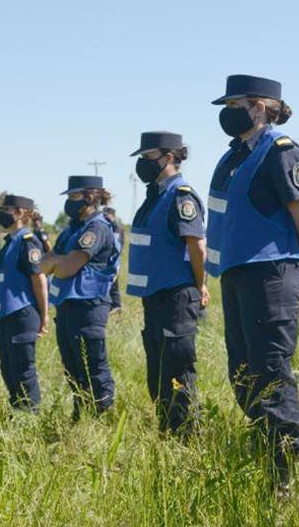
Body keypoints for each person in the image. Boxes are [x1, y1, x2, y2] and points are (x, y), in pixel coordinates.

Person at [207, 75, 299, 489]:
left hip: (272, 273)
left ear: (259, 106)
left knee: (270, 371)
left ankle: (284, 474)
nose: (226, 113)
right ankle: (265, 451)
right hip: (238, 274)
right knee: (242, 370)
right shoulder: (234, 157)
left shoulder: (281, 151)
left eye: (234, 104)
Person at [127, 132, 207, 435]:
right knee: (159, 376)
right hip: (156, 298)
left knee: (177, 374)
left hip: (177, 297)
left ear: (169, 157)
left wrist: (200, 287)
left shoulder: (180, 195)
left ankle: (188, 440)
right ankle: (169, 435)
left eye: (148, 158)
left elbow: (196, 247)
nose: (143, 164)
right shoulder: (156, 197)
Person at [41, 175, 120, 420]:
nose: (69, 203)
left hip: (89, 305)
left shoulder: (97, 228)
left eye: (74, 197)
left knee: (94, 366)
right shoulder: (70, 230)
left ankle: (103, 417)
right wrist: (56, 262)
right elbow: (44, 265)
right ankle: (81, 414)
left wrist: (57, 263)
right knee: (72, 367)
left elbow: (65, 267)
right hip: (66, 305)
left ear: (90, 197)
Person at [0, 194, 48, 411]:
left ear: (21, 213)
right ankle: (17, 412)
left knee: (23, 369)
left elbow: (38, 279)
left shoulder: (28, 242)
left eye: (7, 210)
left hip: (22, 313)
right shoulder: (10, 243)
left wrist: (44, 315)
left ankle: (29, 415)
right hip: (4, 314)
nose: (2, 214)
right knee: (7, 368)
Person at [102, 207, 124, 314]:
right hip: (107, 259)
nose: (105, 217)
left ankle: (116, 305)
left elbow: (116, 245)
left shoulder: (117, 227)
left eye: (107, 215)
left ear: (113, 215)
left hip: (113, 259)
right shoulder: (108, 225)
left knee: (113, 283)